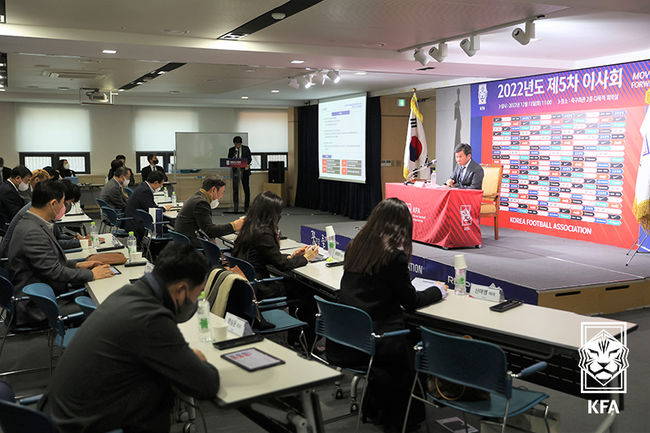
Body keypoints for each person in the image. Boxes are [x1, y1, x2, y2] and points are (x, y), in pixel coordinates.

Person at [38, 243, 220, 433]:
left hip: (62, 416)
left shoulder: (129, 293)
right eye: (197, 293)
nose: (197, 300)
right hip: (81, 426)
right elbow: (206, 384)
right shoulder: (151, 319)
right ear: (181, 290)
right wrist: (196, 361)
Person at [326, 198, 446, 432]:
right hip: (378, 339)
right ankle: (404, 418)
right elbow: (411, 302)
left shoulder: (356, 246)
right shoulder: (393, 257)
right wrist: (438, 290)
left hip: (349, 338)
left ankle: (378, 408)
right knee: (417, 341)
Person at [7, 180, 114, 325]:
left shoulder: (34, 223)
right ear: (52, 203)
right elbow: (54, 272)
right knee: (105, 308)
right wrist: (92, 274)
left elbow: (51, 262)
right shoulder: (32, 232)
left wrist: (78, 265)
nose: (64, 207)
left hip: (47, 292)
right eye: (63, 203)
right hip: (37, 306)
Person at [174, 176, 244, 248]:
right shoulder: (201, 203)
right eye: (222, 193)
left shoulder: (196, 197)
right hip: (191, 247)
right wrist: (234, 225)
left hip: (184, 242)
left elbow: (206, 227)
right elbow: (210, 231)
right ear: (213, 190)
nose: (221, 197)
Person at [124, 171, 172, 242]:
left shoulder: (143, 186)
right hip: (137, 224)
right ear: (156, 183)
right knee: (169, 228)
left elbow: (149, 205)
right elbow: (152, 209)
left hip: (133, 219)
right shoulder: (145, 191)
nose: (161, 187)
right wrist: (164, 208)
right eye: (161, 185)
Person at [227, 136, 252, 211]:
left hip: (244, 171)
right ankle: (236, 207)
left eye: (239, 144)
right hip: (235, 172)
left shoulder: (246, 149)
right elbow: (229, 160)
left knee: (246, 189)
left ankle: (246, 207)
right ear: (234, 143)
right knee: (235, 190)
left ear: (241, 143)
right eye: (236, 144)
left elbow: (249, 159)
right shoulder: (231, 150)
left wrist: (245, 164)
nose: (238, 146)